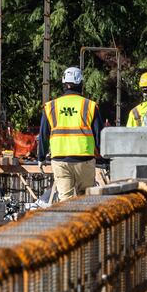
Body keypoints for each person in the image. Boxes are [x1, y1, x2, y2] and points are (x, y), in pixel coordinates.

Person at [38, 67, 102, 201]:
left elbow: (43, 134)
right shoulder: (89, 105)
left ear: (63, 83)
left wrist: (41, 157)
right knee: (86, 200)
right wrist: (104, 156)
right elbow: (100, 135)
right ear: (81, 84)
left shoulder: (50, 107)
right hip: (84, 160)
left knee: (65, 201)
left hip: (60, 160)